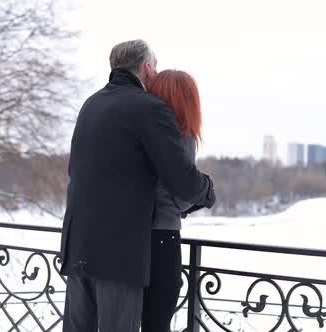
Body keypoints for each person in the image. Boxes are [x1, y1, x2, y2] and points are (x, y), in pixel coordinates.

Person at [59, 39, 216, 332]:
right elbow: (181, 178)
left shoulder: (91, 103)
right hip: (120, 248)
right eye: (155, 67)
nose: (156, 75)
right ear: (146, 67)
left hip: (79, 239)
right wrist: (207, 191)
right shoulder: (148, 108)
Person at [142, 70, 203, 332]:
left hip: (134, 235)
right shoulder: (183, 136)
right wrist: (200, 199)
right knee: (158, 320)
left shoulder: (142, 132)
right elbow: (182, 195)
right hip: (164, 236)